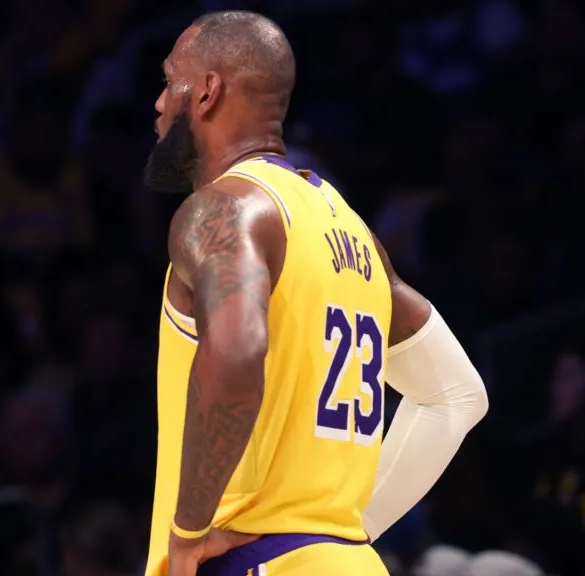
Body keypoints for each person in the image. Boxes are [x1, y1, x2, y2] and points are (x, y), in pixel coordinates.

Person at [142, 11, 488, 576]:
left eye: (169, 80)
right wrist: (347, 534)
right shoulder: (354, 232)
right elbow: (456, 394)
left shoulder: (222, 210)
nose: (159, 103)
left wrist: (187, 534)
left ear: (206, 91)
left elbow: (236, 352)